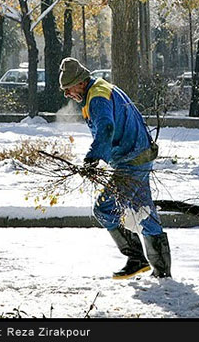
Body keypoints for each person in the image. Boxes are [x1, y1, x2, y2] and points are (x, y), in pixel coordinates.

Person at [59, 57, 171, 279]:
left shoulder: (97, 97)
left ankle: (137, 259)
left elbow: (107, 128)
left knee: (104, 209)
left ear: (80, 82)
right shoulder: (98, 88)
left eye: (68, 88)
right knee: (143, 210)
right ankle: (161, 270)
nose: (66, 94)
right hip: (138, 154)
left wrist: (93, 157)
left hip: (132, 159)